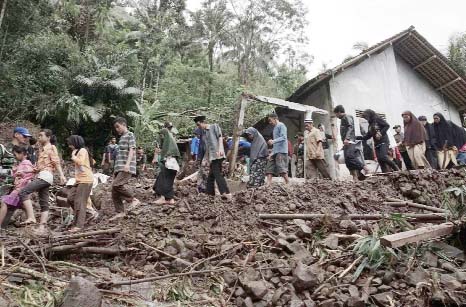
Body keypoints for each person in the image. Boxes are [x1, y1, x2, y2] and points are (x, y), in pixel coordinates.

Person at [19, 129, 66, 232]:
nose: (39, 137)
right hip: (43, 175)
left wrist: (62, 175)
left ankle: (31, 217)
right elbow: (39, 167)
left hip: (46, 176)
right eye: (39, 135)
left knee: (23, 192)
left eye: (41, 135)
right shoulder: (41, 149)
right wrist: (26, 172)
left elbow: (56, 162)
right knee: (44, 203)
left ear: (48, 137)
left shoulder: (51, 147)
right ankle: (42, 227)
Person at [194, 115, 232, 200]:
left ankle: (226, 192)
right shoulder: (205, 133)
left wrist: (221, 149)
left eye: (199, 125)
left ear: (202, 122)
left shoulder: (214, 126)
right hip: (212, 156)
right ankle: (209, 193)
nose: (199, 127)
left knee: (217, 173)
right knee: (211, 175)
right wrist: (207, 159)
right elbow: (207, 148)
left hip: (218, 154)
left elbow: (220, 137)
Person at [110, 117, 140, 220]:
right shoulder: (121, 138)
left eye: (118, 127)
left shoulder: (130, 135)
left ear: (123, 124)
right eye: (115, 128)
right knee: (114, 190)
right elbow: (119, 156)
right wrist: (115, 170)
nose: (117, 129)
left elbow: (132, 150)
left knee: (117, 185)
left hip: (126, 167)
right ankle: (120, 212)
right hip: (119, 167)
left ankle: (133, 199)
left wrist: (127, 164)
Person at [0, 146, 35, 228]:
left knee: (4, 203)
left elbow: (28, 177)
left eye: (15, 155)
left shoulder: (26, 163)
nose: (15, 157)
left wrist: (19, 177)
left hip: (20, 189)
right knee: (21, 206)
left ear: (22, 154)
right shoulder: (23, 163)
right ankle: (31, 225)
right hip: (20, 189)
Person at [66, 135, 93, 232]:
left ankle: (79, 225)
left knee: (80, 202)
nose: (69, 146)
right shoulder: (77, 151)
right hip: (79, 180)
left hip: (86, 180)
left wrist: (73, 157)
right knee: (70, 198)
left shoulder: (82, 150)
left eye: (70, 144)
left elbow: (80, 162)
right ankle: (87, 214)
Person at [333, 105, 367, 180]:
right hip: (346, 142)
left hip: (350, 141)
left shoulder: (347, 117)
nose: (336, 116)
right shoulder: (343, 119)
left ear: (339, 112)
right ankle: (356, 177)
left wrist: (347, 138)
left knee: (349, 157)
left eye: (336, 114)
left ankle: (364, 168)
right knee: (347, 161)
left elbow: (350, 127)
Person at [153, 127, 181, 204]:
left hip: (169, 164)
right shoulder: (172, 144)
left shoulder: (168, 145)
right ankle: (171, 199)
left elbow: (166, 156)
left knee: (163, 180)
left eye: (162, 136)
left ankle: (163, 198)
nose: (161, 138)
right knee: (169, 181)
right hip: (173, 165)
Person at [266, 113, 290, 185]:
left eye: (270, 120)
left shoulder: (281, 125)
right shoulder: (275, 128)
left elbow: (284, 137)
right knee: (269, 167)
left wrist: (273, 141)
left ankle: (288, 182)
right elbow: (276, 143)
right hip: (275, 151)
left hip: (281, 151)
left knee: (281, 167)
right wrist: (272, 153)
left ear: (275, 118)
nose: (270, 123)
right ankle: (268, 184)